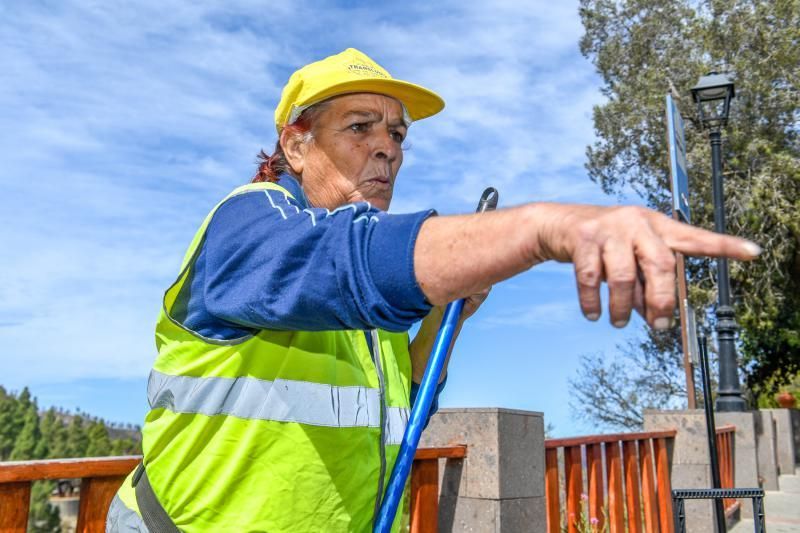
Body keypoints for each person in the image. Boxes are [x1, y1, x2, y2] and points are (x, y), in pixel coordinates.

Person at [105, 48, 759, 532]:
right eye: (359, 127)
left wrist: (447, 316)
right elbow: (344, 262)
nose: (387, 148)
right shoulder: (250, 222)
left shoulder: (361, 275)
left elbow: (397, 401)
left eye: (397, 132)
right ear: (295, 144)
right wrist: (541, 228)